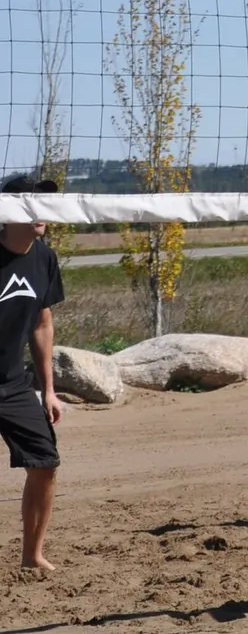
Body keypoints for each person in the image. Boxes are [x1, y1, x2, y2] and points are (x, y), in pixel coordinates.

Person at [0, 174, 63, 571]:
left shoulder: (44, 258)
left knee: (45, 462)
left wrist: (49, 390)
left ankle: (32, 557)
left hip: (14, 385)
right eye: (30, 201)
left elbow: (42, 324)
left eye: (44, 201)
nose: (41, 209)